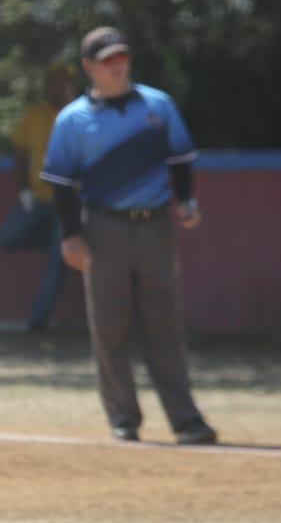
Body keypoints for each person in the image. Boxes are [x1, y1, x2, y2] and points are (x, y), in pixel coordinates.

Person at [40, 27, 219, 446]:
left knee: (165, 325)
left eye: (122, 57)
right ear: (89, 67)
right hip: (103, 228)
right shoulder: (73, 120)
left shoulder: (158, 106)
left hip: (155, 225)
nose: (117, 65)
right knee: (110, 326)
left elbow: (179, 159)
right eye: (107, 60)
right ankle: (123, 417)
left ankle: (185, 420)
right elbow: (62, 184)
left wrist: (186, 200)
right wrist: (70, 237)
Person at [0, 62, 79, 330]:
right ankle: (52, 240)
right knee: (8, 236)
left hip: (68, 202)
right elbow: (20, 156)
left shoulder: (81, 116)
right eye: (56, 82)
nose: (61, 87)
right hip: (38, 199)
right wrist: (23, 191)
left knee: (57, 268)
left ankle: (37, 324)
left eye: (66, 82)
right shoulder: (34, 115)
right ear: (48, 86)